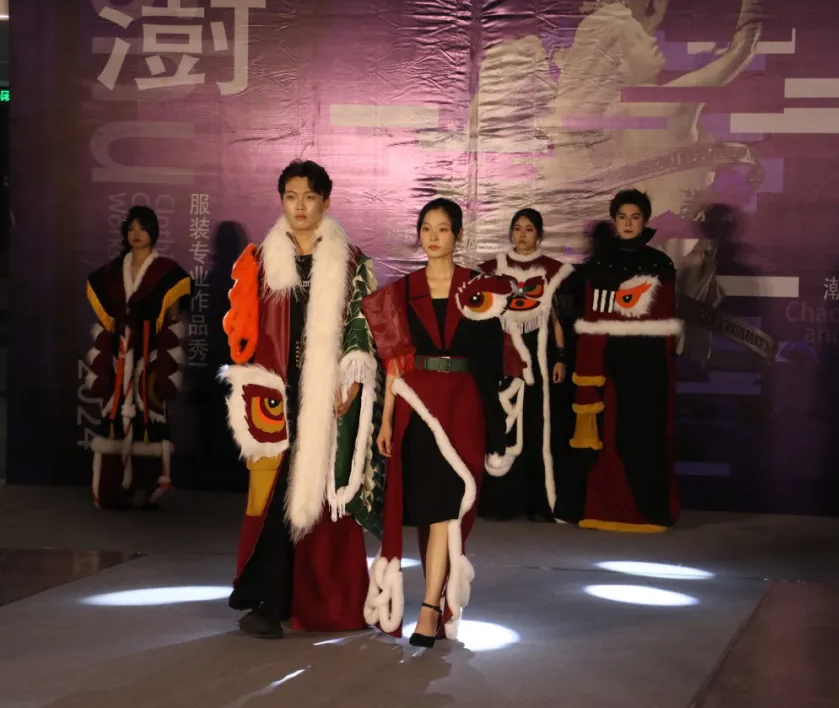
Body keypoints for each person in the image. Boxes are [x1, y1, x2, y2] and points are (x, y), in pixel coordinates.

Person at [218, 159, 383, 638]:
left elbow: (363, 327)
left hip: (325, 398)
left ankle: (313, 601)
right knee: (271, 498)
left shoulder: (352, 261)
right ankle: (269, 599)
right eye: (291, 197)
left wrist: (352, 378)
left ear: (325, 201)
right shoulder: (261, 260)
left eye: (309, 197)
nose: (300, 206)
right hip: (274, 396)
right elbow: (243, 327)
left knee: (322, 501)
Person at [361, 198, 520, 647]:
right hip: (417, 404)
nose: (433, 237)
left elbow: (492, 359)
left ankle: (431, 608)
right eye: (427, 228)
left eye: (443, 229)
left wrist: (495, 422)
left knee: (450, 507)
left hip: (463, 404)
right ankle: (433, 603)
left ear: (458, 235)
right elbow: (394, 363)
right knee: (430, 505)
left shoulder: (478, 289)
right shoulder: (401, 291)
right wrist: (386, 420)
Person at [557, 189, 682, 532]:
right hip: (607, 360)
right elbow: (578, 311)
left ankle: (646, 509)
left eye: (635, 217)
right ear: (614, 221)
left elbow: (666, 320)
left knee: (643, 433)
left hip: (647, 362)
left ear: (645, 220)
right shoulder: (598, 265)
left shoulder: (660, 263)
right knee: (606, 432)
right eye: (622, 217)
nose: (628, 224)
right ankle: (602, 507)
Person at [83, 206, 191, 509]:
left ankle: (148, 485)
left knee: (150, 415)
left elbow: (172, 319)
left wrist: (160, 355)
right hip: (118, 355)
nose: (136, 234)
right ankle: (110, 487)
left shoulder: (167, 272)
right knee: (113, 416)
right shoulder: (110, 274)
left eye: (142, 228)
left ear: (153, 232)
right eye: (131, 228)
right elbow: (103, 318)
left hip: (150, 356)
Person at [476, 208, 573, 522]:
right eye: (517, 228)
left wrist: (561, 358)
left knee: (537, 426)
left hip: (540, 361)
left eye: (529, 229)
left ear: (539, 235)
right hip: (503, 359)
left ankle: (540, 503)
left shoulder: (553, 272)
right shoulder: (493, 270)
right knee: (502, 425)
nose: (522, 234)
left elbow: (557, 319)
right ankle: (499, 503)